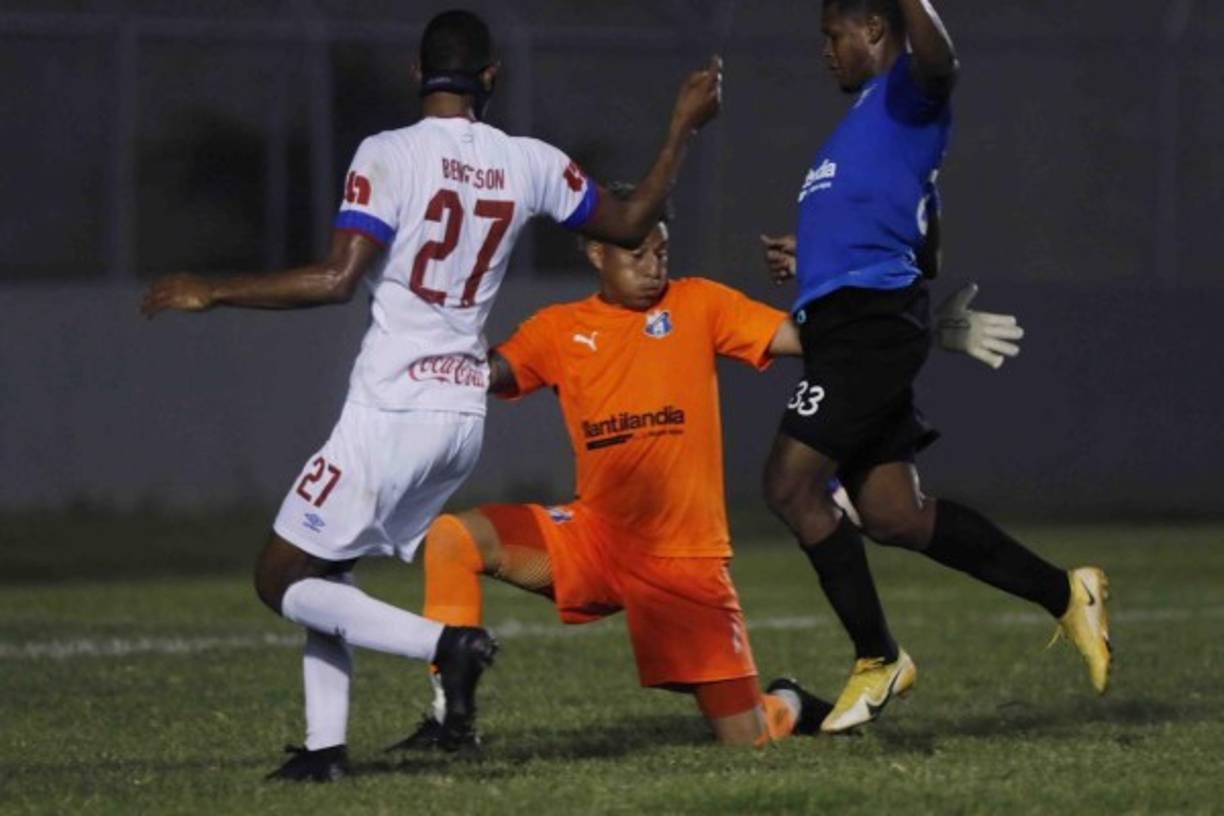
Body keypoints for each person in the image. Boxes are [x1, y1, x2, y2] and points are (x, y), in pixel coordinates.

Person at [140, 10, 723, 781]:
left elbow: (336, 279)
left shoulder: (388, 153)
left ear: (418, 76)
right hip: (460, 414)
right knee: (330, 570)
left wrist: (212, 290)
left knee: (278, 579)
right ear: (491, 79)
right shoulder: (529, 161)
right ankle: (322, 750)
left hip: (392, 407)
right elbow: (632, 217)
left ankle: (445, 647)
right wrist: (682, 125)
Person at [394, 183, 1022, 749]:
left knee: (746, 740)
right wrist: (434, 354)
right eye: (636, 254)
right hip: (596, 541)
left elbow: (822, 344)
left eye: (661, 252)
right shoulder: (558, 330)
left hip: (686, 566)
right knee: (454, 539)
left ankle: (789, 702)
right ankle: (453, 718)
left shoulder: (699, 304)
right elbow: (487, 373)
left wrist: (924, 327)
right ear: (595, 254)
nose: (653, 266)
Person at [757, 0, 1111, 735]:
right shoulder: (860, 123)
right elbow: (920, 247)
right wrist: (812, 253)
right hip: (847, 325)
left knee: (790, 484)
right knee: (894, 514)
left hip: (867, 331)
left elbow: (943, 63)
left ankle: (878, 657)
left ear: (876, 31)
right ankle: (1067, 592)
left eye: (833, 36)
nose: (825, 50)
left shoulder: (904, 93)